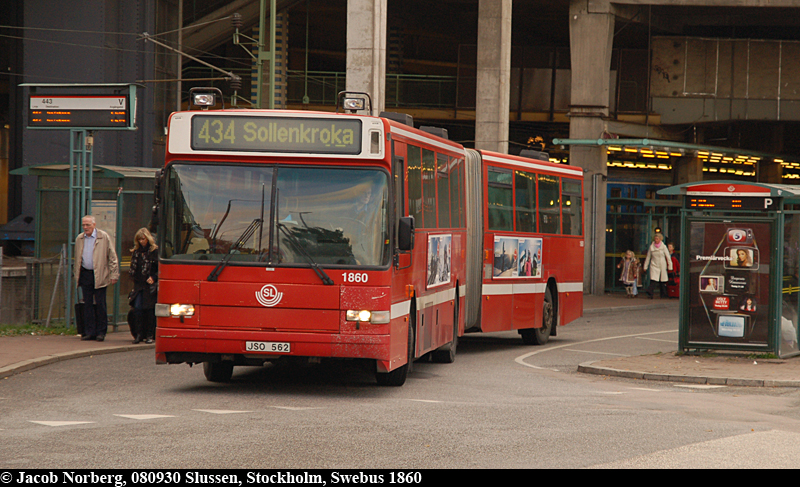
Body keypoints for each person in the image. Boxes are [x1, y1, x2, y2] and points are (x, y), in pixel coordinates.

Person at [73, 215, 119, 341]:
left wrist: (114, 274)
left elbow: (112, 257)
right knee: (87, 304)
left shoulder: (103, 237)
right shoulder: (80, 238)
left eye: (88, 225)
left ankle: (101, 331)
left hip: (99, 274)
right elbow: (77, 258)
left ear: (94, 224)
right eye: (83, 225)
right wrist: (76, 274)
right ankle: (89, 331)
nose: (85, 227)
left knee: (100, 304)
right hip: (85, 274)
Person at [129, 228, 159, 344]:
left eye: (143, 239)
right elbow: (133, 269)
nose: (142, 241)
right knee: (137, 309)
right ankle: (139, 334)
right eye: (139, 239)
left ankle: (149, 335)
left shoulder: (154, 251)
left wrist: (154, 278)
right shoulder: (136, 252)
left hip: (149, 285)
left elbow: (159, 268)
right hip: (139, 285)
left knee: (149, 311)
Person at [644, 232, 672, 299]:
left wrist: (670, 266)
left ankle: (663, 294)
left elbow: (668, 256)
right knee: (653, 279)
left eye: (657, 238)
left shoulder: (663, 246)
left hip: (662, 264)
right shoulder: (651, 247)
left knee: (662, 281)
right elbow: (648, 257)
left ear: (660, 239)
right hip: (654, 264)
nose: (656, 240)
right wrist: (645, 266)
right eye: (655, 238)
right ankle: (650, 292)